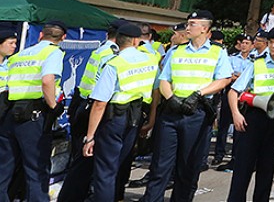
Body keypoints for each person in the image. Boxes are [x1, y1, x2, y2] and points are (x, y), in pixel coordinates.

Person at [141, 11, 232, 202]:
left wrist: (200, 93)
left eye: (192, 24)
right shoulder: (177, 51)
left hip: (196, 113)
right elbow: (164, 79)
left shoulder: (217, 52)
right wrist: (172, 98)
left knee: (188, 167)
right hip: (172, 111)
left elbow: (223, 79)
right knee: (160, 166)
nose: (187, 27)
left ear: (204, 29)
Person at [80, 23, 159, 202]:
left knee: (105, 172)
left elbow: (100, 102)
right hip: (135, 118)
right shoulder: (150, 60)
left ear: (117, 41)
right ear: (136, 41)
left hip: (114, 119)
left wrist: (90, 136)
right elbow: (156, 92)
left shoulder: (114, 64)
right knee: (117, 165)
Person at [225, 25, 274, 202]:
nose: (273, 46)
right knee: (243, 169)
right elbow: (233, 92)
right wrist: (236, 114)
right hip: (254, 119)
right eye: (271, 42)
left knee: (266, 170)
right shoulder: (257, 64)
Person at [0, 20, 66, 202]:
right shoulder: (53, 52)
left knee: (4, 169)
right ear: (63, 38)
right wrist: (54, 106)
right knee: (36, 170)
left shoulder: (20, 55)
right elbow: (47, 80)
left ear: (40, 35)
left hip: (10, 115)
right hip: (33, 117)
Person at [60, 19, 123, 202]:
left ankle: (73, 195)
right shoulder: (112, 55)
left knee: (81, 159)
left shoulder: (101, 49)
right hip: (92, 108)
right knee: (85, 159)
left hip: (82, 103)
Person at [213, 33, 255, 166]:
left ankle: (235, 155)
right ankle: (219, 153)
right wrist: (240, 77)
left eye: (247, 43)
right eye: (242, 42)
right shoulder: (231, 58)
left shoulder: (254, 61)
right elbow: (228, 76)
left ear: (252, 46)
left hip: (245, 95)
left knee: (240, 125)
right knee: (223, 124)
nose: (243, 45)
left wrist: (238, 76)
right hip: (231, 92)